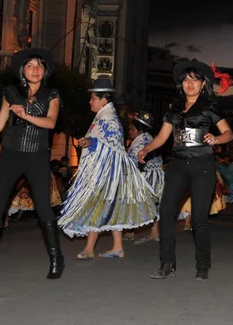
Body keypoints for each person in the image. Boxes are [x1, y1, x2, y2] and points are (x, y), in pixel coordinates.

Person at [0, 48, 64, 281]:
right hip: (10, 155)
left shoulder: (52, 95)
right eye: (30, 65)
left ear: (45, 71)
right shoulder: (10, 93)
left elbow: (50, 123)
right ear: (23, 71)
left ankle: (56, 258)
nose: (35, 69)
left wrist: (25, 113)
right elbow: (0, 123)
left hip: (37, 156)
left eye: (39, 66)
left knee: (43, 208)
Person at [138, 58, 233, 281]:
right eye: (186, 79)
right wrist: (145, 149)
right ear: (181, 83)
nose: (190, 83)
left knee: (199, 217)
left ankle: (203, 265)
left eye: (195, 79)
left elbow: (228, 133)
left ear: (203, 84)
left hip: (202, 165)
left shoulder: (209, 106)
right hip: (178, 165)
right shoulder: (174, 108)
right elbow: (163, 137)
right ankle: (167, 263)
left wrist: (216, 139)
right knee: (166, 212)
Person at [58, 79, 159, 259]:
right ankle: (117, 246)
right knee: (111, 205)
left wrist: (91, 142)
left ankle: (90, 249)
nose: (90, 102)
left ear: (103, 99)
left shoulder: (108, 118)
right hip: (109, 171)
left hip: (106, 172)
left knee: (96, 205)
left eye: (93, 98)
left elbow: (111, 144)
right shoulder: (105, 116)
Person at [124, 111, 165, 244]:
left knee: (132, 202)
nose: (129, 131)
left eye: (131, 129)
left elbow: (130, 162)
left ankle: (131, 232)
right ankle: (153, 232)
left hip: (146, 177)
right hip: (156, 175)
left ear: (137, 130)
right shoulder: (149, 137)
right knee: (154, 204)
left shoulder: (139, 142)